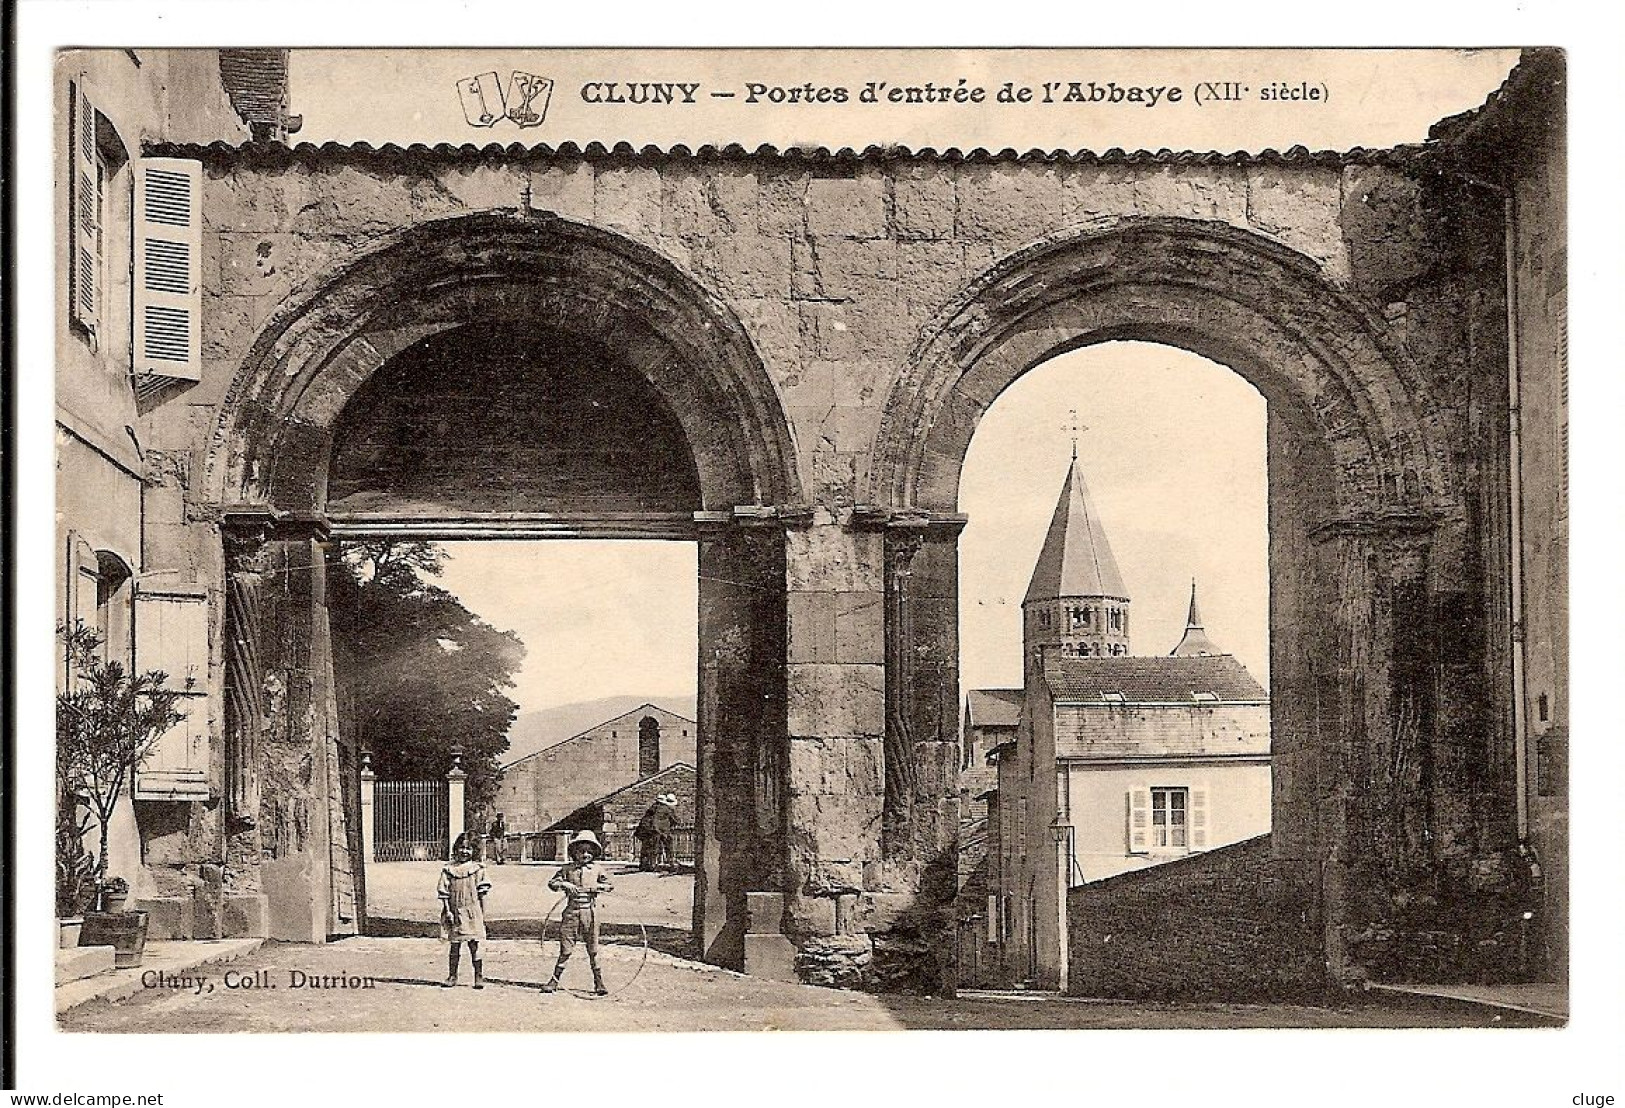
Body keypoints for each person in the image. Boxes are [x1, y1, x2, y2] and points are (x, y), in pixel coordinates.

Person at [542, 830, 614, 995]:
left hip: (590, 913)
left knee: (593, 949)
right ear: (574, 852)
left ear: (594, 853)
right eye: (581, 851)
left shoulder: (597, 869)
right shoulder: (567, 869)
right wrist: (565, 885)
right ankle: (554, 981)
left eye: (589, 851)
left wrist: (597, 887)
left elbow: (610, 886)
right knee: (566, 949)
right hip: (571, 913)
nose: (585, 854)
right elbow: (552, 883)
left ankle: (599, 983)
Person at [438, 832, 492, 989]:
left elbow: (482, 895)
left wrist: (482, 915)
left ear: (474, 851)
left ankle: (478, 976)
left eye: (468, 848)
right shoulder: (449, 869)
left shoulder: (478, 869)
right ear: (456, 849)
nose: (464, 851)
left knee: (475, 945)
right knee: (455, 945)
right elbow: (444, 893)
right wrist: (447, 911)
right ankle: (452, 975)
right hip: (454, 912)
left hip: (472, 912)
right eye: (461, 848)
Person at [652, 793, 678, 871]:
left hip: (655, 830)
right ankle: (671, 863)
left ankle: (654, 864)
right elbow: (675, 819)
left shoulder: (655, 808)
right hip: (663, 830)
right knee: (669, 846)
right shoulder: (667, 809)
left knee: (656, 847)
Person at [632, 802, 660, 872]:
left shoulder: (645, 817)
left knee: (645, 851)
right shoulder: (652, 818)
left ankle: (644, 865)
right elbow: (653, 828)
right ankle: (650, 866)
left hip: (644, 836)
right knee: (652, 851)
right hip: (649, 835)